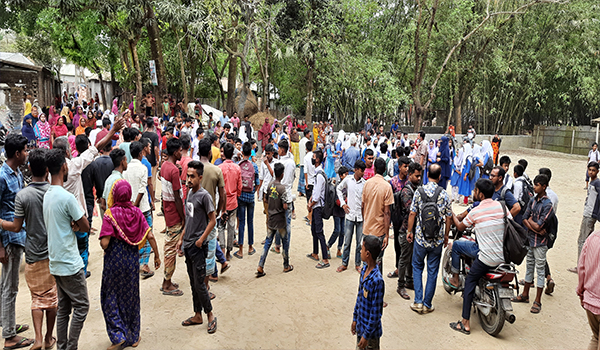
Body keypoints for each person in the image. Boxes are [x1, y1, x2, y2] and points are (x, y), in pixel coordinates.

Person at [1, 149, 56, 350]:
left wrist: (0, 222)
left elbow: (16, 226)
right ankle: (49, 338)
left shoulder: (22, 195)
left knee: (37, 298)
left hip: (32, 251)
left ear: (29, 167)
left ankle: (39, 338)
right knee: (51, 297)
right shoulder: (54, 192)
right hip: (52, 252)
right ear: (48, 170)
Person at [99, 179, 160, 349]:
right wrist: (157, 256)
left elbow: (104, 243)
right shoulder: (137, 213)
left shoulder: (110, 214)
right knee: (131, 296)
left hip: (114, 261)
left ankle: (118, 334)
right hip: (131, 261)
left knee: (110, 296)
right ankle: (133, 336)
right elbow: (150, 236)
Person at [43, 149, 91, 350]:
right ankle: (70, 346)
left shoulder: (47, 195)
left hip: (56, 261)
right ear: (64, 167)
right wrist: (76, 224)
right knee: (82, 306)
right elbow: (86, 226)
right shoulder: (67, 197)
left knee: (64, 307)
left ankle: (63, 345)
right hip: (70, 262)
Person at [448, 178, 507, 335]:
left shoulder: (476, 210)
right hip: (503, 256)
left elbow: (460, 226)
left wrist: (453, 215)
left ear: (480, 194)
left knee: (469, 280)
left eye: (475, 190)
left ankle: (465, 323)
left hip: (486, 256)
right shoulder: (501, 207)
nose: (474, 192)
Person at [174, 161, 218, 333]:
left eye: (192, 176)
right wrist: (181, 238)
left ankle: (210, 315)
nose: (189, 179)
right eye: (188, 175)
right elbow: (189, 219)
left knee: (200, 284)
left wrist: (201, 240)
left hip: (198, 247)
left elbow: (212, 220)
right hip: (188, 245)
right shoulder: (189, 194)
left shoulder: (204, 196)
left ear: (200, 177)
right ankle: (197, 314)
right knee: (193, 283)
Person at [0, 134, 35, 349]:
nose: (27, 154)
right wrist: (0, 246)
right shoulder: (2, 176)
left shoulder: (16, 173)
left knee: (7, 284)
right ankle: (9, 336)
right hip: (8, 239)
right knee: (10, 287)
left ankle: (7, 323)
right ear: (16, 153)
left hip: (17, 235)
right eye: (25, 150)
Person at [407, 164, 452, 314]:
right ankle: (427, 304)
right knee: (432, 271)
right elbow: (449, 217)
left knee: (417, 267)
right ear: (440, 177)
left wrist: (409, 231)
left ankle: (418, 301)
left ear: (427, 174)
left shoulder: (419, 192)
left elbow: (412, 213)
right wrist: (445, 235)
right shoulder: (444, 194)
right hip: (437, 240)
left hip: (420, 238)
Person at [512, 174, 554, 314]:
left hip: (540, 243)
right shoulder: (532, 200)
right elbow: (526, 219)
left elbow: (538, 224)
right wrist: (533, 226)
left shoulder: (548, 205)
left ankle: (538, 301)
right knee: (530, 267)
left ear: (544, 186)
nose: (534, 187)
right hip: (531, 239)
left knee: (540, 270)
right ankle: (525, 295)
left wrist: (530, 223)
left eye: (537, 185)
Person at [123, 142, 156, 278]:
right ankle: (144, 263)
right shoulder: (142, 168)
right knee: (147, 235)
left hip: (129, 207)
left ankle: (135, 262)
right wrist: (136, 205)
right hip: (142, 207)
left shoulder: (125, 169)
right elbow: (143, 188)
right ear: (141, 153)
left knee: (133, 235)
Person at [256, 163, 294, 277]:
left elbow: (266, 199)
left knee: (268, 241)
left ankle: (260, 265)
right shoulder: (282, 188)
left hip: (271, 218)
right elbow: (285, 206)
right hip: (280, 220)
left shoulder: (270, 185)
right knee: (285, 241)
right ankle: (286, 265)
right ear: (282, 175)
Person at [160, 138, 186, 296]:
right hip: (174, 212)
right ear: (175, 151)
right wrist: (183, 216)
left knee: (170, 246)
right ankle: (166, 282)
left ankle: (167, 280)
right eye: (180, 150)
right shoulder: (174, 170)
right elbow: (177, 196)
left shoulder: (165, 166)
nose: (181, 152)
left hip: (168, 209)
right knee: (171, 248)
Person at [351, 235, 384, 350]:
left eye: (362, 249)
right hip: (361, 327)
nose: (360, 251)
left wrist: (366, 336)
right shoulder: (364, 270)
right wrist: (355, 318)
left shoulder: (377, 281)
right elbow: (359, 297)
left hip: (370, 335)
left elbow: (376, 313)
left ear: (368, 254)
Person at [396, 162, 422, 300]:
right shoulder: (406, 191)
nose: (419, 178)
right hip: (406, 230)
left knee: (412, 258)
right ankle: (400, 285)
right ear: (410, 174)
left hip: (413, 231)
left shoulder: (417, 188)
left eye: (420, 176)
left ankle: (409, 281)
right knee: (404, 258)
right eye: (416, 176)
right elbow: (411, 210)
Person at [569, 161, 600, 274]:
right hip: (588, 213)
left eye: (593, 170)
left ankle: (580, 267)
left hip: (589, 215)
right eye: (589, 170)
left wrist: (596, 214)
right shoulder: (592, 183)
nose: (591, 172)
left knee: (582, 240)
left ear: (597, 171)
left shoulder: (597, 184)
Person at [337, 160, 366, 273]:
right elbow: (339, 189)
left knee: (359, 243)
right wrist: (343, 204)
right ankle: (344, 263)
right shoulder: (348, 180)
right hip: (349, 215)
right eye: (361, 171)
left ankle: (358, 264)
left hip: (360, 216)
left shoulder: (364, 183)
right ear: (356, 170)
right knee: (347, 241)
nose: (363, 173)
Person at [234, 143, 259, 259]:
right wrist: (253, 192)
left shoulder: (238, 165)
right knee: (250, 222)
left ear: (242, 152)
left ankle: (240, 249)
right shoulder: (254, 166)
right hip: (250, 197)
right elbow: (257, 183)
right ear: (251, 153)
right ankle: (250, 247)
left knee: (241, 222)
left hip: (241, 197)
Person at [218, 143, 242, 260]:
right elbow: (240, 186)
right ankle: (228, 251)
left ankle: (222, 250)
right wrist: (237, 196)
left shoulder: (220, 168)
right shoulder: (237, 168)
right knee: (231, 227)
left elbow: (218, 187)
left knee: (221, 226)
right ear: (232, 154)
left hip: (223, 202)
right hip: (233, 201)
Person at [577, 228, 600, 350]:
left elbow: (581, 267)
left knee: (596, 338)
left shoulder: (593, 237)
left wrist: (581, 293)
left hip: (590, 300)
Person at [387, 157, 410, 278]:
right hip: (397, 218)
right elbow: (390, 201)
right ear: (399, 166)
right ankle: (398, 268)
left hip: (408, 219)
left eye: (408, 166)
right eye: (405, 166)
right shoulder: (393, 182)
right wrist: (390, 219)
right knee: (397, 244)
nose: (406, 169)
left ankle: (407, 271)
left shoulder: (410, 181)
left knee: (408, 246)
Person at [307, 150, 330, 268]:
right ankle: (315, 252)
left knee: (319, 232)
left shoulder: (320, 175)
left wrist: (311, 204)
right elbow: (315, 191)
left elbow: (317, 194)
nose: (312, 158)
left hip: (318, 206)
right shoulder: (318, 173)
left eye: (314, 157)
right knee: (314, 230)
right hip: (316, 205)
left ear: (317, 160)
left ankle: (325, 258)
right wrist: (311, 200)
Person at [327, 167, 348, 258]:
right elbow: (337, 200)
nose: (347, 176)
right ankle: (328, 245)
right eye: (345, 174)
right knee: (337, 230)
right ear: (340, 176)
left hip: (343, 211)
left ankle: (339, 249)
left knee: (343, 231)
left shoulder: (347, 185)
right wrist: (345, 201)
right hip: (336, 210)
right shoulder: (338, 186)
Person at [142, 118, 161, 194]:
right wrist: (157, 159)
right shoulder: (155, 135)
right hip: (152, 159)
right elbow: (156, 148)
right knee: (152, 179)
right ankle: (152, 195)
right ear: (153, 125)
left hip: (144, 158)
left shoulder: (144, 134)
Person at [297, 130, 310, 196]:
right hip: (306, 160)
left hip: (301, 160)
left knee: (301, 176)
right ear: (307, 134)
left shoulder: (301, 141)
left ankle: (300, 191)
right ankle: (303, 190)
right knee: (305, 176)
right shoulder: (307, 141)